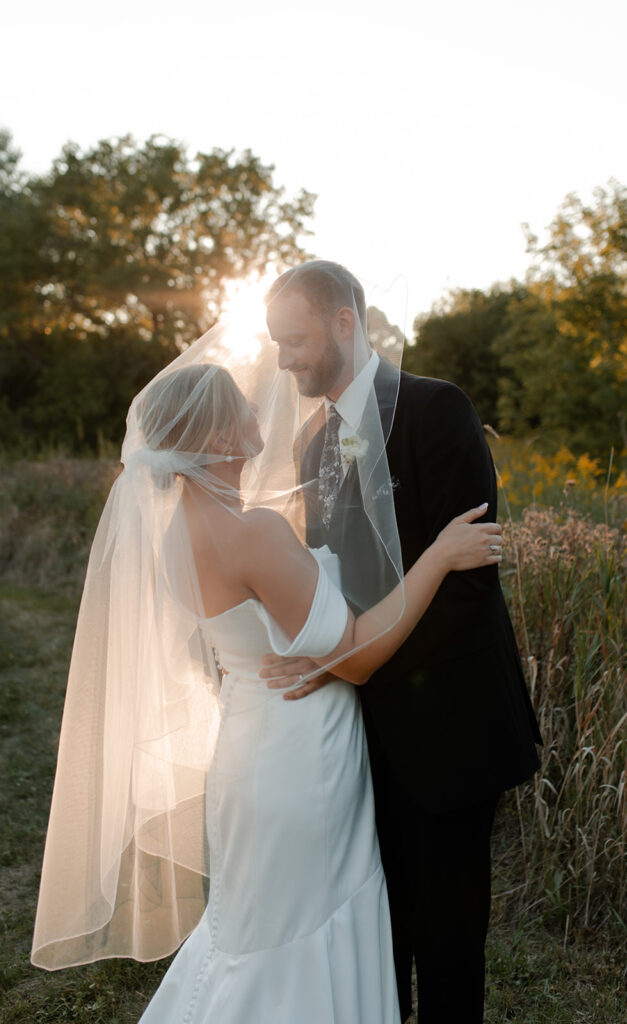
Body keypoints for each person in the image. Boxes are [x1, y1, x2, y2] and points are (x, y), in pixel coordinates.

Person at [31, 306, 503, 1024]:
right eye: (238, 404)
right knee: (300, 935)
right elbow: (359, 654)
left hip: (249, 750)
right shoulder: (251, 533)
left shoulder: (173, 536)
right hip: (299, 760)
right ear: (219, 435)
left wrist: (323, 649)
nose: (259, 402)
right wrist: (437, 555)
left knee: (252, 931)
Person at [262, 260, 542, 1023]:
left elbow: (468, 581)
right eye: (275, 344)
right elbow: (329, 579)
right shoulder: (312, 444)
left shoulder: (435, 408)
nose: (283, 360)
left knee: (449, 941)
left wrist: (355, 662)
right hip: (355, 733)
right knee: (377, 933)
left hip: (450, 722)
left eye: (295, 341)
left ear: (345, 323)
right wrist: (325, 650)